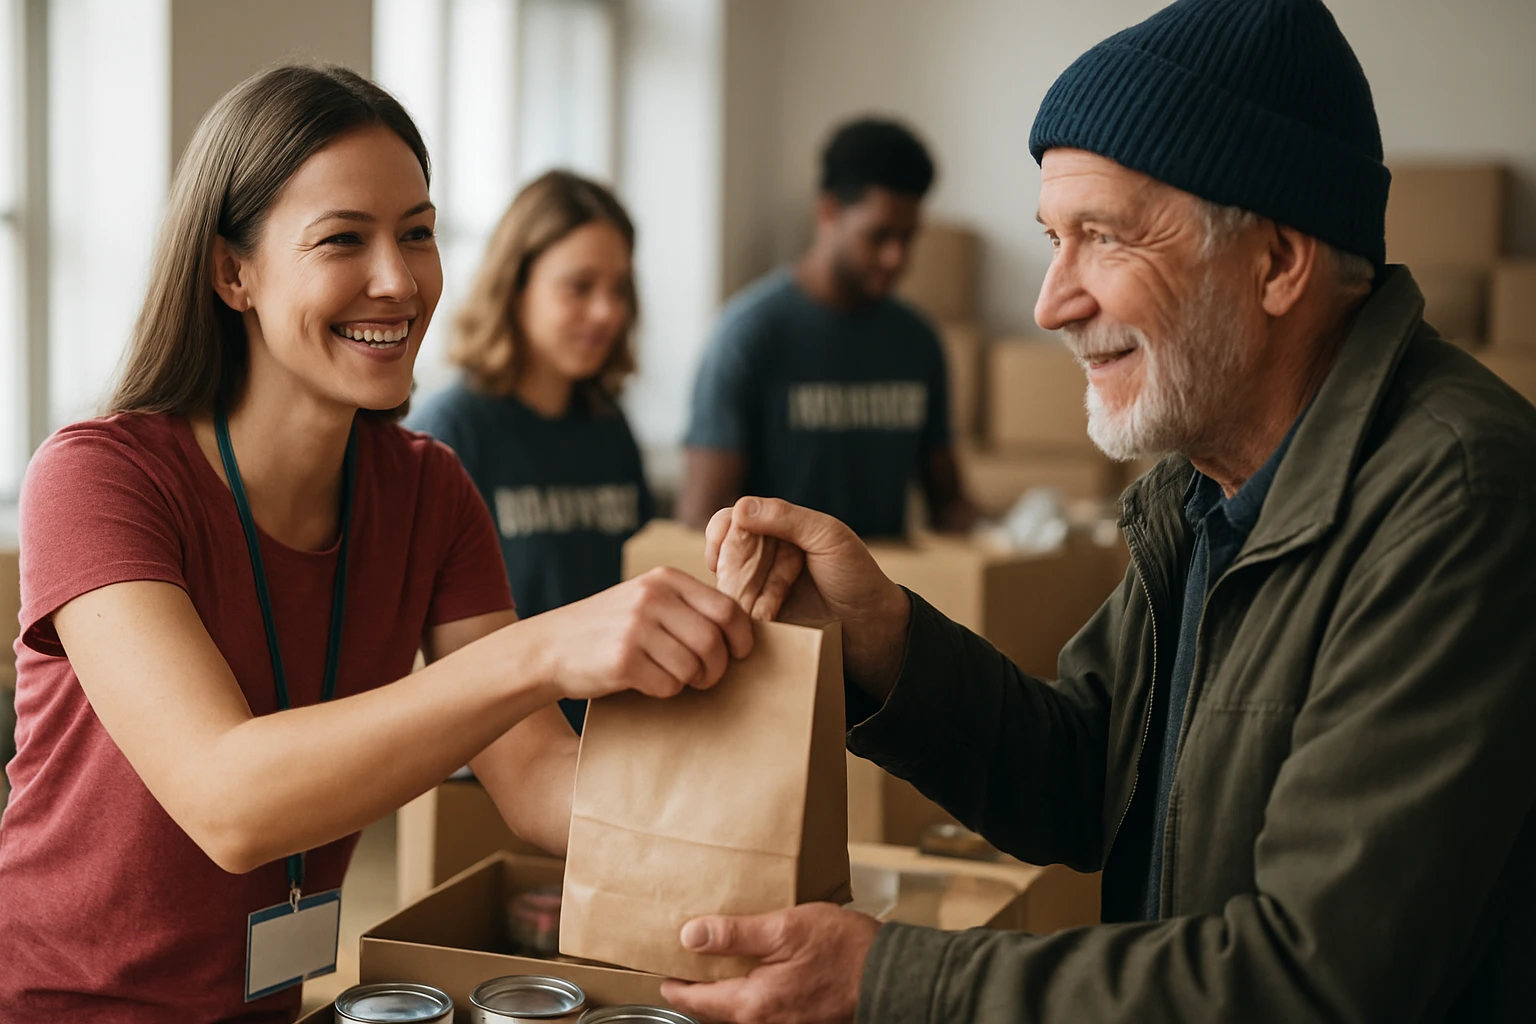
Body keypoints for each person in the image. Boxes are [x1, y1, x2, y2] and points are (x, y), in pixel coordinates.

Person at [659, 0, 1536, 1021]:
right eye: (1050, 238)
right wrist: (883, 644)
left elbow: (1314, 978)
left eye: (1101, 238)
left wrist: (893, 981)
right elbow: (1090, 776)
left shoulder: (1458, 501)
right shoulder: (1201, 480)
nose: (1048, 301)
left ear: (1279, 262)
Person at [0, 65, 750, 1023]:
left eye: (418, 234)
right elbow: (231, 802)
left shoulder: (429, 489)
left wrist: (758, 755)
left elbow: (536, 781)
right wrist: (542, 648)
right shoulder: (98, 477)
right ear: (233, 272)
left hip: (275, 1004)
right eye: (343, 240)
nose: (398, 281)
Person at [407, 170, 652, 732]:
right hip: (489, 751)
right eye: (580, 286)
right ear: (516, 285)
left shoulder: (610, 428)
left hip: (613, 743)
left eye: (618, 289)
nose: (606, 312)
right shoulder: (451, 433)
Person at [676, 118, 976, 539]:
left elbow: (949, 503)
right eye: (879, 236)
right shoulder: (748, 337)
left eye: (908, 238)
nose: (896, 257)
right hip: (776, 599)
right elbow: (702, 519)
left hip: (883, 598)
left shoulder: (917, 341)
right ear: (829, 212)